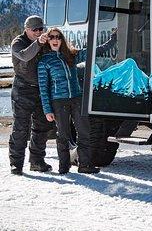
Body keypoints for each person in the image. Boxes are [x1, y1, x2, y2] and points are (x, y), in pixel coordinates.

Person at [37, 27, 116, 174]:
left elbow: (93, 51)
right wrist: (47, 110)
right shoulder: (44, 61)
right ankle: (64, 166)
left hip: (76, 99)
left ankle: (84, 165)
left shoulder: (71, 55)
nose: (55, 40)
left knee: (84, 132)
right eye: (52, 37)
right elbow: (43, 88)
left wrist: (112, 41)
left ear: (62, 40)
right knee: (63, 135)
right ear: (47, 40)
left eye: (58, 37)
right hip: (59, 101)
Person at [9, 15, 53, 175]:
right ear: (26, 29)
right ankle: (16, 163)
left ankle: (36, 161)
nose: (38, 32)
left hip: (42, 89)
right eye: (35, 29)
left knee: (42, 127)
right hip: (22, 89)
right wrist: (39, 43)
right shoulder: (17, 42)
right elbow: (25, 55)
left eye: (41, 29)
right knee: (21, 128)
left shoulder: (44, 40)